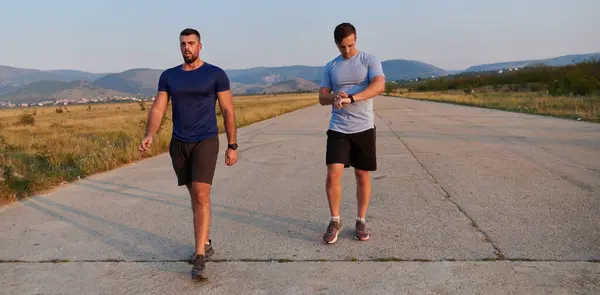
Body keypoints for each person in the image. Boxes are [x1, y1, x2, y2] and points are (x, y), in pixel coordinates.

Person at [138, 28, 238, 279]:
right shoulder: (169, 76)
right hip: (179, 143)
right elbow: (158, 108)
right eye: (183, 44)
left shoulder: (215, 74)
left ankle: (199, 257)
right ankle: (204, 240)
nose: (187, 48)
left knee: (202, 195)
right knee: (195, 194)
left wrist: (232, 145)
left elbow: (228, 111)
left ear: (200, 46)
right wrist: (150, 134)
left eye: (191, 43)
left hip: (205, 140)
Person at [318, 22, 385, 244]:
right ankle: (335, 220)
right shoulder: (331, 66)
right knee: (333, 174)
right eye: (342, 47)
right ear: (336, 45)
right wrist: (335, 96)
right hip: (338, 127)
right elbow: (322, 97)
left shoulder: (369, 60)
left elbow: (379, 86)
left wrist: (353, 98)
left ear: (355, 39)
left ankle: (361, 220)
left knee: (362, 175)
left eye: (350, 45)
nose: (347, 50)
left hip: (363, 127)